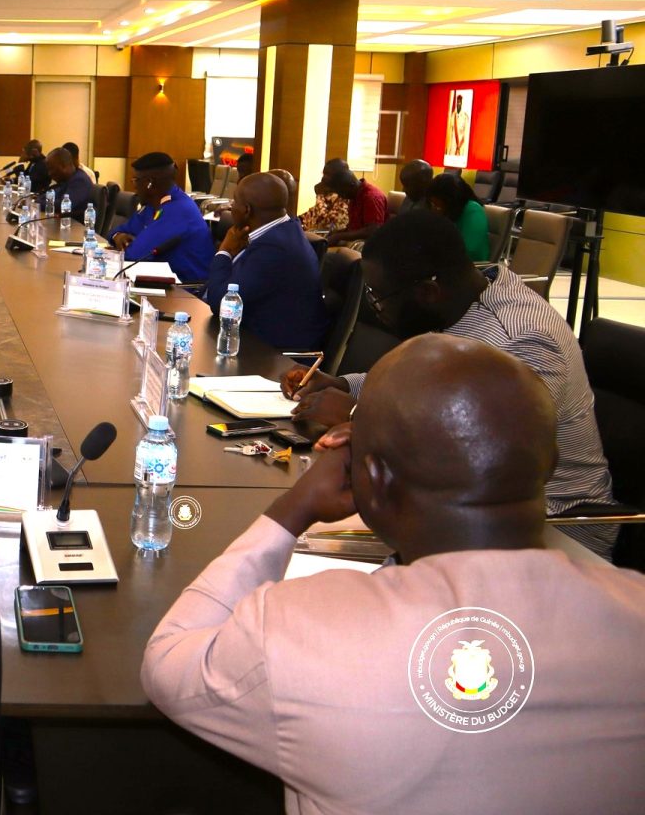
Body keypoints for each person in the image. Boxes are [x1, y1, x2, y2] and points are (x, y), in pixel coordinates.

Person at [143, 335, 645, 815]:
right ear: (549, 466)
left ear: (373, 478)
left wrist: (291, 511)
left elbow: (168, 663)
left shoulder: (299, 630)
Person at [285, 209, 615, 556]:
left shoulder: (519, 341)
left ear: (428, 291)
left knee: (311, 547)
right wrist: (342, 385)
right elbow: (420, 384)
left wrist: (356, 415)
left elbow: (490, 456)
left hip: (551, 526)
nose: (375, 308)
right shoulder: (456, 304)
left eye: (378, 296)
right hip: (466, 504)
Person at [203, 173, 328, 351]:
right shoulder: (281, 231)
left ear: (247, 210)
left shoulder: (274, 248)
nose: (231, 206)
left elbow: (222, 303)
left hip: (272, 355)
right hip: (253, 338)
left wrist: (225, 251)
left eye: (235, 201)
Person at [108, 151, 214, 282]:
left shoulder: (179, 211)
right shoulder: (153, 205)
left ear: (149, 183)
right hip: (160, 281)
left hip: (186, 289)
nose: (134, 186)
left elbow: (134, 255)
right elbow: (117, 231)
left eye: (136, 180)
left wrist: (128, 243)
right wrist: (118, 236)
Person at [320, 157, 387, 245]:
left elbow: (373, 231)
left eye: (341, 192)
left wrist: (339, 236)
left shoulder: (372, 197)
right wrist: (336, 233)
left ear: (351, 185)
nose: (341, 196)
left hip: (370, 245)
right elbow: (354, 229)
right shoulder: (354, 195)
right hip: (355, 243)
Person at [426, 171, 490, 261]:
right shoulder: (447, 211)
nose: (435, 209)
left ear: (450, 200)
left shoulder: (473, 210)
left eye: (438, 205)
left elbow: (470, 251)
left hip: (472, 265)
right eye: (433, 204)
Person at [44, 146, 95, 223]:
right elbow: (51, 196)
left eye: (52, 169)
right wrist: (36, 199)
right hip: (66, 223)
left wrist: (37, 203)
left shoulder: (80, 180)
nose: (49, 173)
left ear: (64, 166)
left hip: (76, 227)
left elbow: (62, 206)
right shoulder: (68, 179)